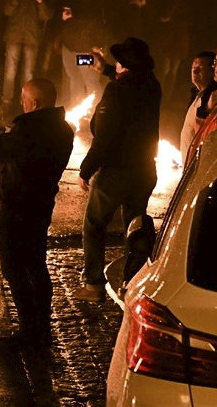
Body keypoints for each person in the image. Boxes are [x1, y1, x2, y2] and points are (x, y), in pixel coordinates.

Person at [0, 78, 74, 345]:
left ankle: (29, 330)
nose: (21, 101)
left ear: (35, 102)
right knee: (36, 264)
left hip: (16, 206)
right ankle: (41, 328)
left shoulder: (27, 131)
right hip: (41, 205)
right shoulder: (63, 130)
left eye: (24, 97)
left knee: (13, 268)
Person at [76, 37, 161, 302]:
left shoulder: (116, 91)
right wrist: (108, 71)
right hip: (145, 168)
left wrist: (86, 169)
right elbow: (132, 80)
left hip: (116, 170)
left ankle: (93, 285)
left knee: (94, 225)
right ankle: (132, 283)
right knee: (135, 225)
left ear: (124, 65)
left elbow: (105, 136)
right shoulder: (152, 85)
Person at [1, 0, 52, 111]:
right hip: (14, 35)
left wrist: (41, 2)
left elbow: (46, 16)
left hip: (32, 37)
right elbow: (7, 11)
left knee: (28, 72)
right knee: (10, 70)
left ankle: (27, 102)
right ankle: (6, 102)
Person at [179, 51, 217, 156]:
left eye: (200, 68)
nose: (195, 71)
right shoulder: (196, 95)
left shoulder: (213, 98)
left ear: (213, 71)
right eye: (193, 68)